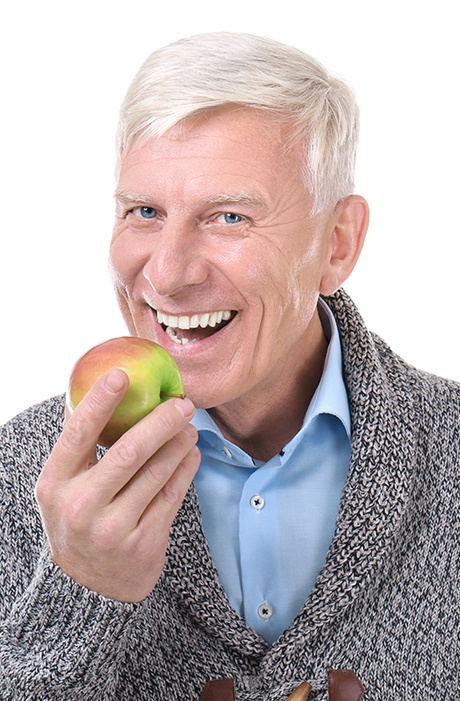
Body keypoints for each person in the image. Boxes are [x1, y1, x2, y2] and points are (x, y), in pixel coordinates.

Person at [0, 32, 458, 701]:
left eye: (229, 216)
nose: (167, 273)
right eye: (145, 212)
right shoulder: (19, 474)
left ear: (337, 244)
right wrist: (82, 589)